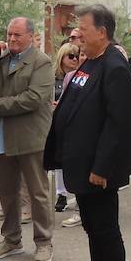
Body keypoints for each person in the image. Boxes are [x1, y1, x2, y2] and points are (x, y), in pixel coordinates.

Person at [45, 4, 131, 261]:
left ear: (102, 32)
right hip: (80, 163)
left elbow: (118, 124)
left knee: (106, 231)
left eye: (83, 29)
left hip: (99, 169)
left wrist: (102, 167)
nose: (78, 35)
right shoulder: (90, 63)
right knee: (92, 228)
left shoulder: (114, 66)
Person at [0, 17, 56, 261]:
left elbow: (34, 98)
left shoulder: (42, 62)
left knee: (37, 193)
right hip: (1, 136)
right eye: (9, 35)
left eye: (17, 35)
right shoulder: (0, 60)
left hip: (29, 137)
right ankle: (11, 239)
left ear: (30, 36)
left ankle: (43, 242)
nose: (12, 39)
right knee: (6, 192)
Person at [51, 42, 81, 215]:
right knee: (58, 161)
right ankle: (61, 194)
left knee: (74, 160)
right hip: (55, 122)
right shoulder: (52, 77)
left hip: (73, 123)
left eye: (77, 56)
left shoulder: (79, 76)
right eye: (71, 56)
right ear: (62, 57)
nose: (74, 59)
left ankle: (77, 194)